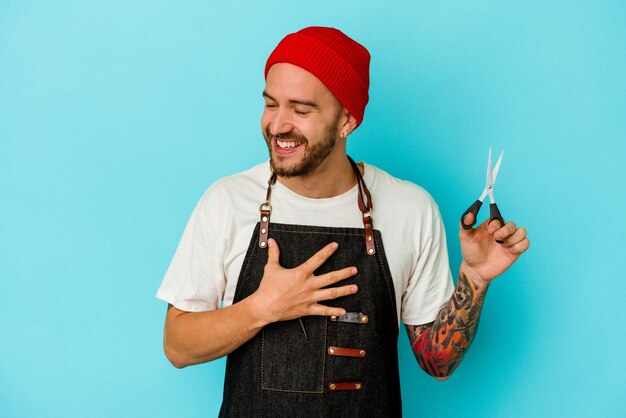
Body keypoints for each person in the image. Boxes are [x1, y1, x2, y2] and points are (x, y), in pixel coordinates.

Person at [157, 26, 530, 417]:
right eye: (271, 104)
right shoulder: (228, 201)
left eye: (301, 110)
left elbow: (437, 363)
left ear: (347, 120)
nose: (278, 125)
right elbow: (177, 347)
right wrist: (262, 308)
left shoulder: (410, 208)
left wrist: (475, 277)